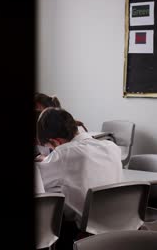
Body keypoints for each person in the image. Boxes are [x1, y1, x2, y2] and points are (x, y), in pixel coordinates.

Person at [35, 107, 122, 249]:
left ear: (56, 142)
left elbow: (40, 182)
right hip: (121, 226)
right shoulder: (111, 146)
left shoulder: (64, 153)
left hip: (86, 233)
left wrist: (47, 159)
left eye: (50, 147)